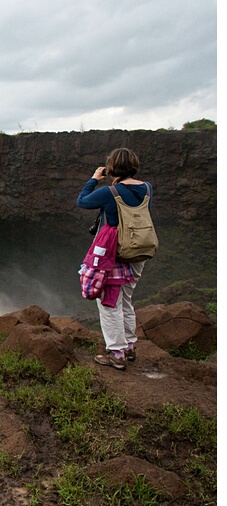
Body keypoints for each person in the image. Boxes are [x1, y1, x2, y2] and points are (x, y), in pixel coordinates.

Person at [77, 148, 153, 370]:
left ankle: (117, 354)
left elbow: (82, 201)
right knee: (125, 299)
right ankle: (129, 347)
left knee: (109, 302)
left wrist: (93, 179)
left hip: (115, 253)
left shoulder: (109, 192)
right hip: (139, 250)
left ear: (111, 168)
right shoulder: (148, 188)